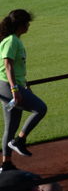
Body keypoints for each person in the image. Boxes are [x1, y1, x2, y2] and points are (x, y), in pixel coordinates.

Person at [0, 10, 47, 170]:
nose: (28, 25)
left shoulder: (14, 40)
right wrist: (15, 89)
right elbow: (8, 65)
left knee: (11, 126)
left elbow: (17, 68)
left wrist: (25, 85)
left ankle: (6, 163)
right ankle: (19, 140)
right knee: (40, 108)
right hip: (8, 86)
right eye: (27, 23)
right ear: (20, 25)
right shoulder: (12, 41)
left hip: (11, 85)